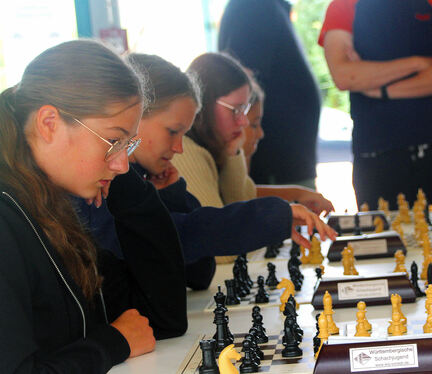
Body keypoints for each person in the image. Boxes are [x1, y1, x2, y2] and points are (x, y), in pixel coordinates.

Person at [0, 40, 186, 373]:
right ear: (49, 124)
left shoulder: (51, 211)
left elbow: (160, 319)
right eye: (113, 140)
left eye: (128, 145)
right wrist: (112, 343)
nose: (123, 164)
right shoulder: (8, 219)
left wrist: (120, 179)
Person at [76, 53, 336, 289]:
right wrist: (273, 217)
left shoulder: (145, 180)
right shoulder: (102, 191)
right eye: (172, 132)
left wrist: (173, 197)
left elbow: (200, 272)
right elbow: (188, 235)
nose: (179, 147)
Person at [319, 0, 432, 210]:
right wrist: (418, 62)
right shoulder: (343, 5)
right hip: (375, 155)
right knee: (382, 239)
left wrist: (382, 90)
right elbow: (345, 77)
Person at [172, 52, 334, 218]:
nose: (243, 121)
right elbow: (219, 229)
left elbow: (242, 201)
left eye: (244, 110)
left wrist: (233, 153)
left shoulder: (214, 146)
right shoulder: (186, 151)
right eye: (236, 110)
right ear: (204, 106)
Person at [218, 0, 321, 189]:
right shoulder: (254, 6)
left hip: (285, 160)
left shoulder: (267, 7)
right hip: (274, 158)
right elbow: (240, 82)